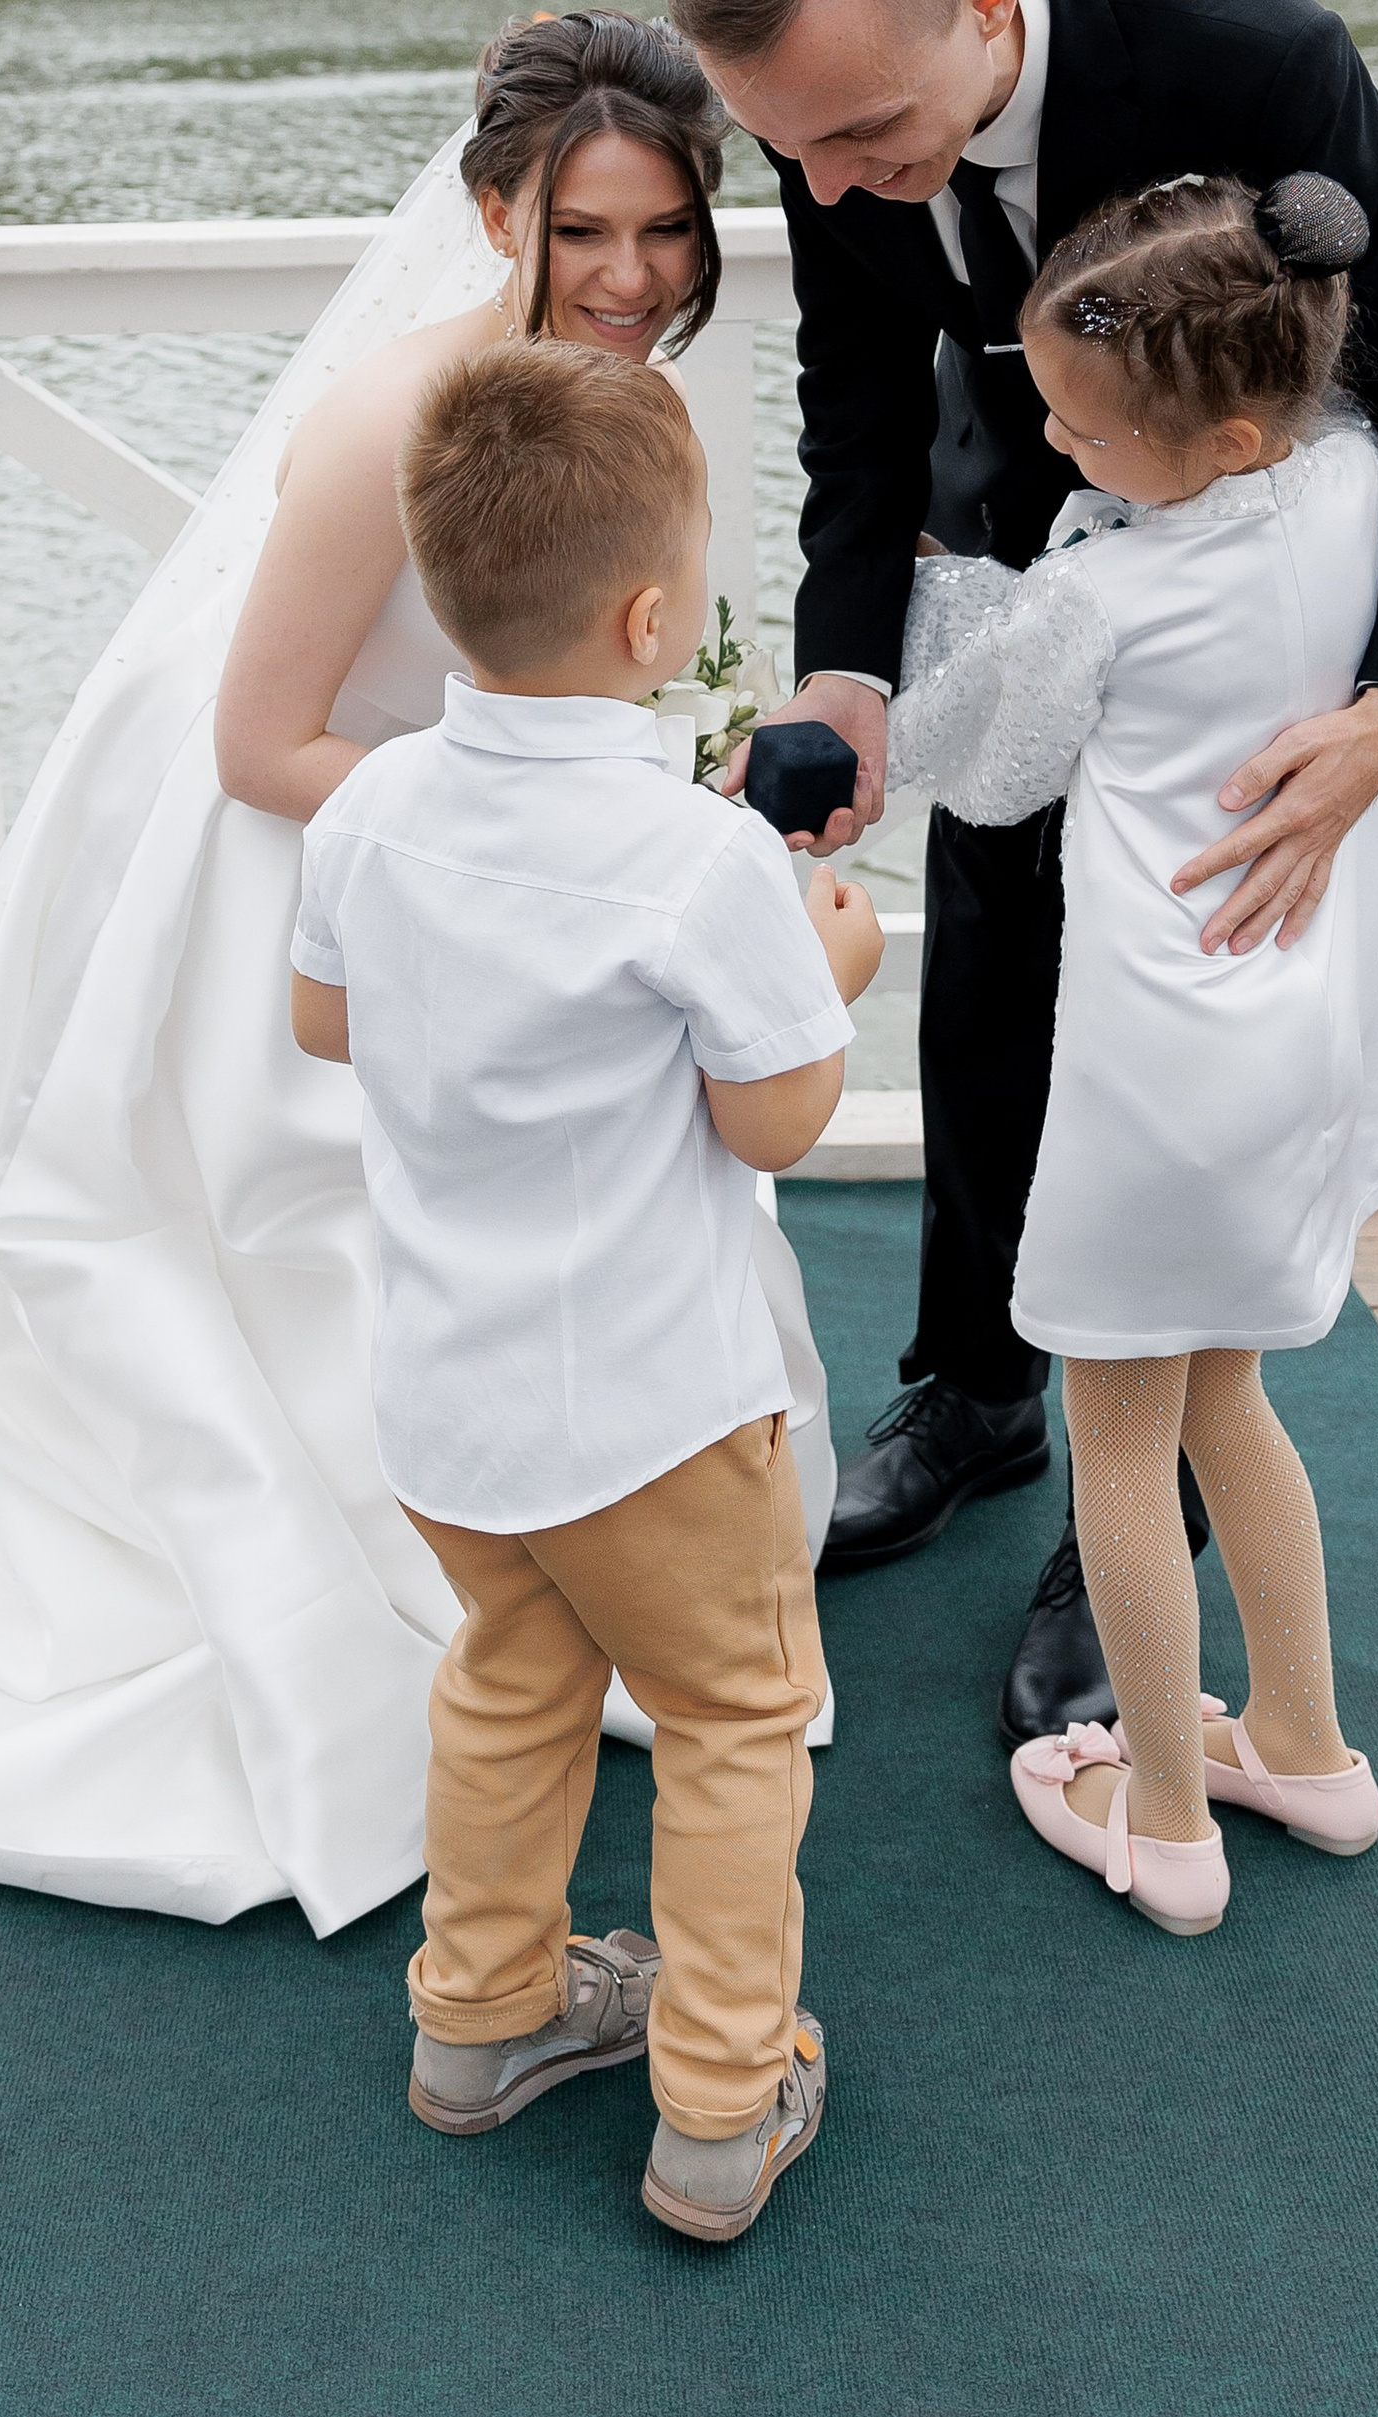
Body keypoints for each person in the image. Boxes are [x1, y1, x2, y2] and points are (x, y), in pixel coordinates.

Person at [0, 11, 837, 1939]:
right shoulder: (386, 419)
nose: (635, 275)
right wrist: (562, 857)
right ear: (494, 205)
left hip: (458, 836)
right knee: (322, 1229)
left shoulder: (606, 397)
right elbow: (263, 742)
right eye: (584, 229)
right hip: (324, 853)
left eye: (668, 228)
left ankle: (563, 1550)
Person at [665, 0, 1378, 1743]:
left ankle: (1131, 1529)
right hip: (1011, 572)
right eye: (794, 157)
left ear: (980, 3)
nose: (841, 188)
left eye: (869, 139)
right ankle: (972, 1395)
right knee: (984, 988)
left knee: (1173, 1052)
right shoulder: (834, 114)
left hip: (1251, 639)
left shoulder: (1250, 56)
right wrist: (849, 676)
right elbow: (859, 402)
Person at [885, 170, 1378, 1929]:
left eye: (1089, 430)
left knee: (1116, 1435)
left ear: (1228, 433)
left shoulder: (1108, 597)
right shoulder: (1353, 489)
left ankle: (1164, 1811)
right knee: (1233, 1390)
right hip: (1291, 1044)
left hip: (1156, 1075)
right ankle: (1305, 1743)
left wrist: (953, 578)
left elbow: (975, 757)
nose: (1062, 450)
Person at [293, 343, 882, 2236]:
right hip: (648, 1410)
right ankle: (719, 2099)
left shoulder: (369, 806)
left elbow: (324, 1015)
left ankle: (479, 2016)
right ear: (653, 616)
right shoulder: (703, 859)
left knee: (513, 1681)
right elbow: (776, 1116)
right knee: (729, 1719)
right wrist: (831, 960)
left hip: (449, 1409)